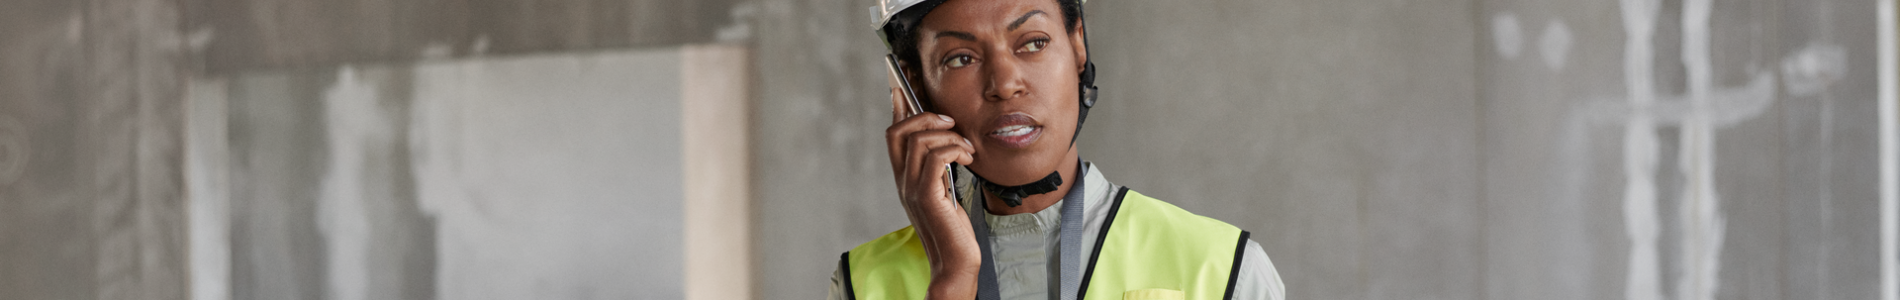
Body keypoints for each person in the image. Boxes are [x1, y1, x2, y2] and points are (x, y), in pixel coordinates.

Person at [831, 0, 1286, 299]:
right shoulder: (861, 284)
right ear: (913, 89)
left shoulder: (1225, 269)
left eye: (1033, 42)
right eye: (960, 58)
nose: (1005, 83)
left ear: (1077, 45)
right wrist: (952, 279)